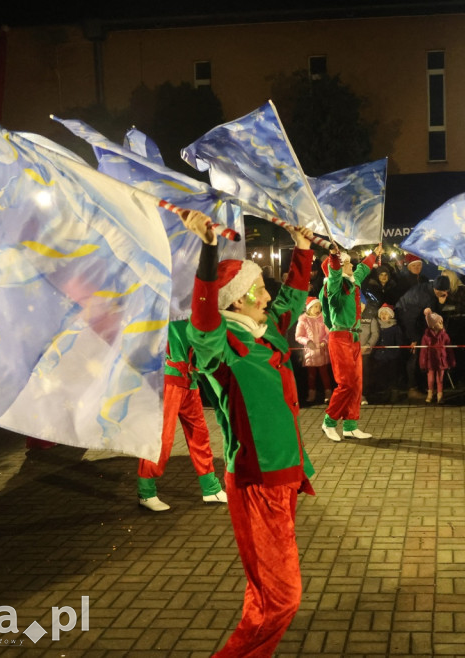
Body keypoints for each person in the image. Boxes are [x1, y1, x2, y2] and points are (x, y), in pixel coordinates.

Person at [181, 209, 316, 658]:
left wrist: (302, 249)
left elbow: (291, 301)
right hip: (258, 483)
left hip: (287, 476)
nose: (266, 295)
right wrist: (207, 249)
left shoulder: (266, 334)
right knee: (283, 598)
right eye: (257, 289)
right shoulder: (223, 348)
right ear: (236, 301)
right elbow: (201, 320)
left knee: (266, 593)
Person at [136, 317, 228, 512]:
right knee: (162, 438)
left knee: (199, 434)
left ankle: (210, 487)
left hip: (189, 379)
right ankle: (146, 492)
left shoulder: (194, 304)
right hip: (168, 378)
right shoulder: (168, 303)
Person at [319, 243, 382, 441]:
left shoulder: (352, 282)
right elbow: (335, 273)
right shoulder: (333, 286)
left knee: (356, 383)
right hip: (340, 338)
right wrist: (334, 257)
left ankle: (350, 425)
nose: (352, 266)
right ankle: (329, 422)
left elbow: (362, 269)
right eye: (347, 263)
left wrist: (374, 254)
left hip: (353, 337)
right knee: (346, 383)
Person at [395, 275, 450, 399]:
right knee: (414, 355)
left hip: (417, 322)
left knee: (422, 355)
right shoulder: (422, 295)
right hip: (406, 320)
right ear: (435, 288)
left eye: (445, 292)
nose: (443, 294)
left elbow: (433, 315)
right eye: (441, 292)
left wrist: (441, 303)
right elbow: (409, 317)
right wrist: (413, 338)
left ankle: (423, 386)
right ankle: (412, 388)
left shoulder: (432, 293)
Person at [294, 296, 332, 405]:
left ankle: (328, 393)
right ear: (309, 308)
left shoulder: (323, 318)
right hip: (310, 352)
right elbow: (298, 336)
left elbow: (328, 333)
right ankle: (312, 394)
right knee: (311, 374)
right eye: (315, 306)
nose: (317, 309)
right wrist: (307, 341)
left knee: (324, 373)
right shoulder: (303, 320)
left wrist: (324, 341)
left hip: (322, 351)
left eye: (319, 307)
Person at [369, 304, 404, 402]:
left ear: (391, 315)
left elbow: (399, 342)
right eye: (382, 313)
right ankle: (385, 393)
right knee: (382, 375)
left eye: (386, 313)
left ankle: (394, 393)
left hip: (391, 356)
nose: (384, 315)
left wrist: (395, 353)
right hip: (379, 356)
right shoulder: (377, 326)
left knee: (392, 375)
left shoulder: (395, 328)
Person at [419, 307, 454, 403]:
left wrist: (451, 361)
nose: (441, 324)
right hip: (430, 361)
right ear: (433, 325)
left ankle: (440, 394)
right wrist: (423, 362)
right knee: (430, 379)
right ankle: (430, 393)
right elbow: (423, 351)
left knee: (440, 379)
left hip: (441, 361)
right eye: (439, 322)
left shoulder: (445, 336)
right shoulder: (426, 337)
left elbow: (449, 350)